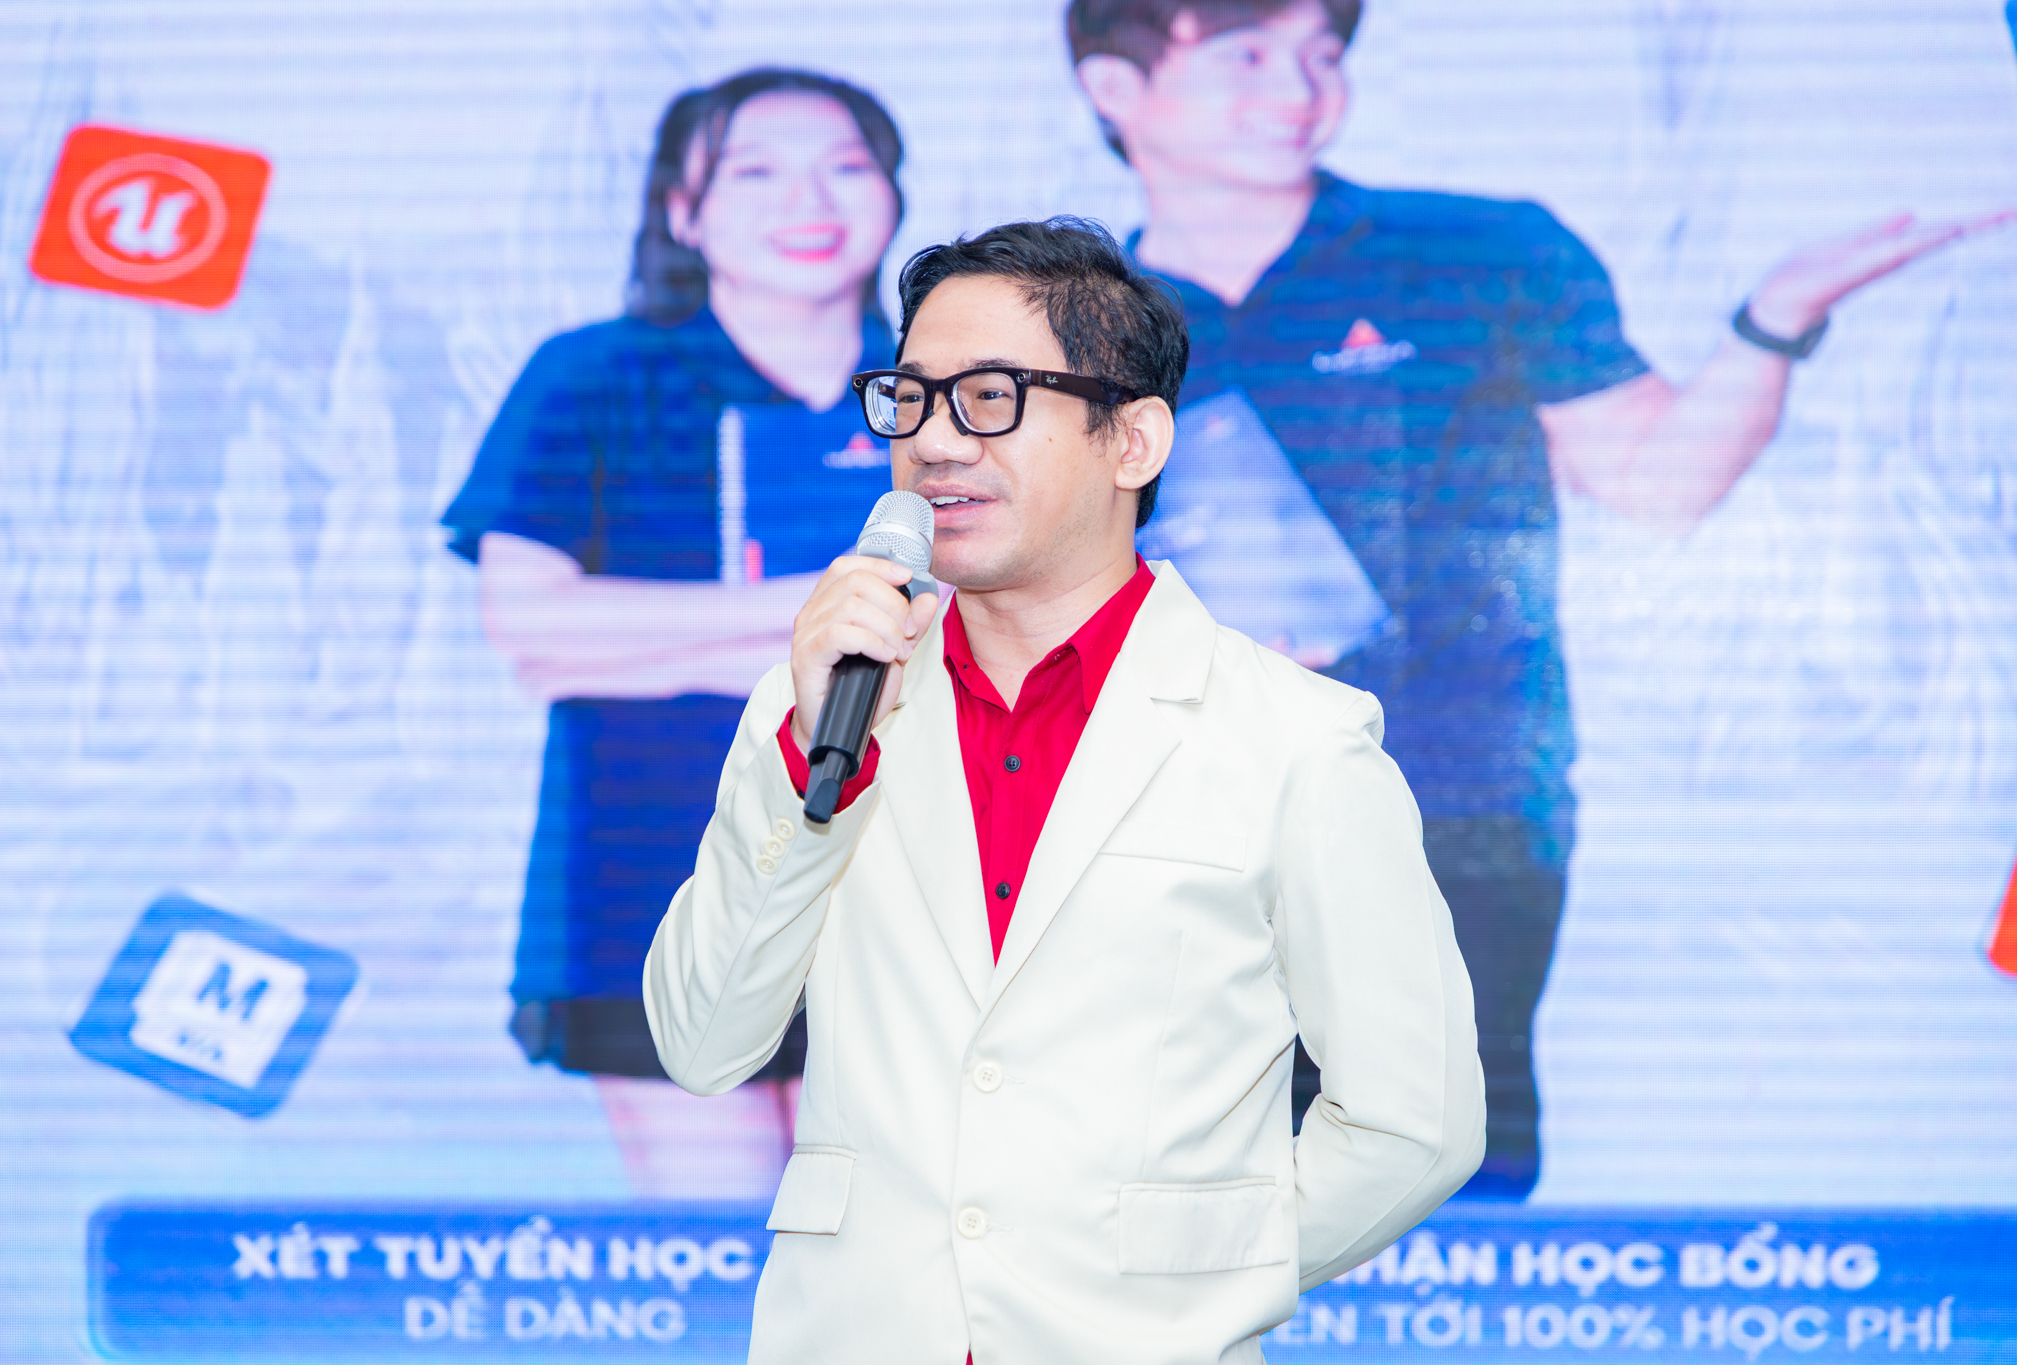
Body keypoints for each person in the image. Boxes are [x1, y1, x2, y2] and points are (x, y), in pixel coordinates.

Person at [1066, 0, 2012, 1197]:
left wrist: (1773, 322)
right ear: (1115, 88)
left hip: (1456, 796)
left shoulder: (1484, 252)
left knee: (1444, 1168)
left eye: (1321, 54)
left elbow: (1656, 483)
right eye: (1246, 55)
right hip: (1166, 813)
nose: (1298, 87)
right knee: (1181, 1179)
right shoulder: (1060, 320)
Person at [643, 218, 1483, 1360]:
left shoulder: (1297, 740)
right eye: (910, 399)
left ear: (1132, 438)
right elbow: (700, 1041)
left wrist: (1190, 1276)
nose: (935, 442)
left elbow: (1414, 1122)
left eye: (990, 398)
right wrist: (806, 760)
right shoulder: (817, 706)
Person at [439, 67, 905, 1189]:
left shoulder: (949, 389)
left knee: (889, 1255)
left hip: (905, 872)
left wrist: (641, 645)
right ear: (683, 211)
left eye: (847, 168)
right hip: (652, 870)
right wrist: (822, 611)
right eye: (755, 173)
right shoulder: (592, 375)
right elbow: (527, 622)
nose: (809, 201)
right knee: (720, 1258)